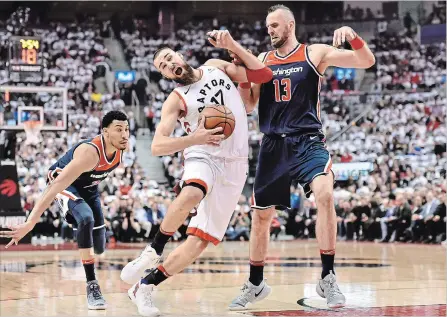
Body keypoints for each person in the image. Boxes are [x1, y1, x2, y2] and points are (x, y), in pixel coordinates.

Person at [228, 4, 375, 310]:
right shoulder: (262, 60)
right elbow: (250, 105)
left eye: (275, 25)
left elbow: (366, 60)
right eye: (268, 26)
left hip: (307, 140)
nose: (270, 30)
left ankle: (327, 276)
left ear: (290, 25)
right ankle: (255, 283)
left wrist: (353, 37)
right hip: (273, 144)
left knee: (324, 194)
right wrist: (242, 76)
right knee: (261, 218)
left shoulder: (314, 53)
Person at [120, 29, 273, 317]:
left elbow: (262, 76)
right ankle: (153, 249)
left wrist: (233, 47)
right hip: (202, 154)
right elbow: (157, 146)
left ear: (179, 55)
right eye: (163, 67)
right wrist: (195, 138)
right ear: (165, 77)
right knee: (192, 190)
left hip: (236, 163)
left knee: (199, 242)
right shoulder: (176, 100)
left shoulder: (215, 67)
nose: (168, 65)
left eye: (168, 58)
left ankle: (145, 286)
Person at [0, 110, 129, 310]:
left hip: (89, 189)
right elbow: (55, 186)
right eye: (119, 130)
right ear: (105, 132)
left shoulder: (121, 149)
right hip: (63, 183)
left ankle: (84, 230)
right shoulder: (90, 153)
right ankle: (92, 286)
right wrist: (30, 222)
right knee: (86, 219)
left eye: (127, 130)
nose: (124, 135)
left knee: (101, 246)